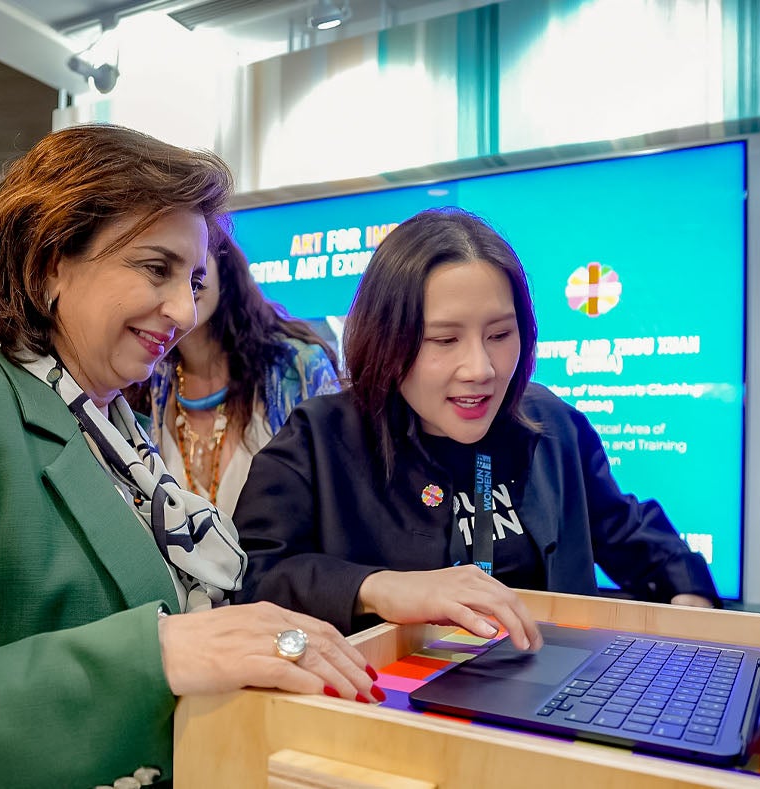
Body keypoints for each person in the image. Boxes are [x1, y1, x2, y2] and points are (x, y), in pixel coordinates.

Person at [0, 125, 380, 789]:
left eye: (196, 279)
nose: (183, 309)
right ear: (49, 262)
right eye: (156, 268)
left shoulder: (118, 432)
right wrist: (154, 655)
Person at [234, 208, 718, 650]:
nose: (481, 368)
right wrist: (378, 587)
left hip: (551, 694)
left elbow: (623, 528)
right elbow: (255, 576)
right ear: (386, 339)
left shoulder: (550, 424)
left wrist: (688, 593)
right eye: (445, 339)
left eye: (500, 335)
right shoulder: (318, 440)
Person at [133, 232, 339, 515]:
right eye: (160, 268)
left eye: (195, 273)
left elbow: (340, 491)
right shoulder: (144, 377)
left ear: (223, 265)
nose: (184, 291)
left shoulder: (298, 367)